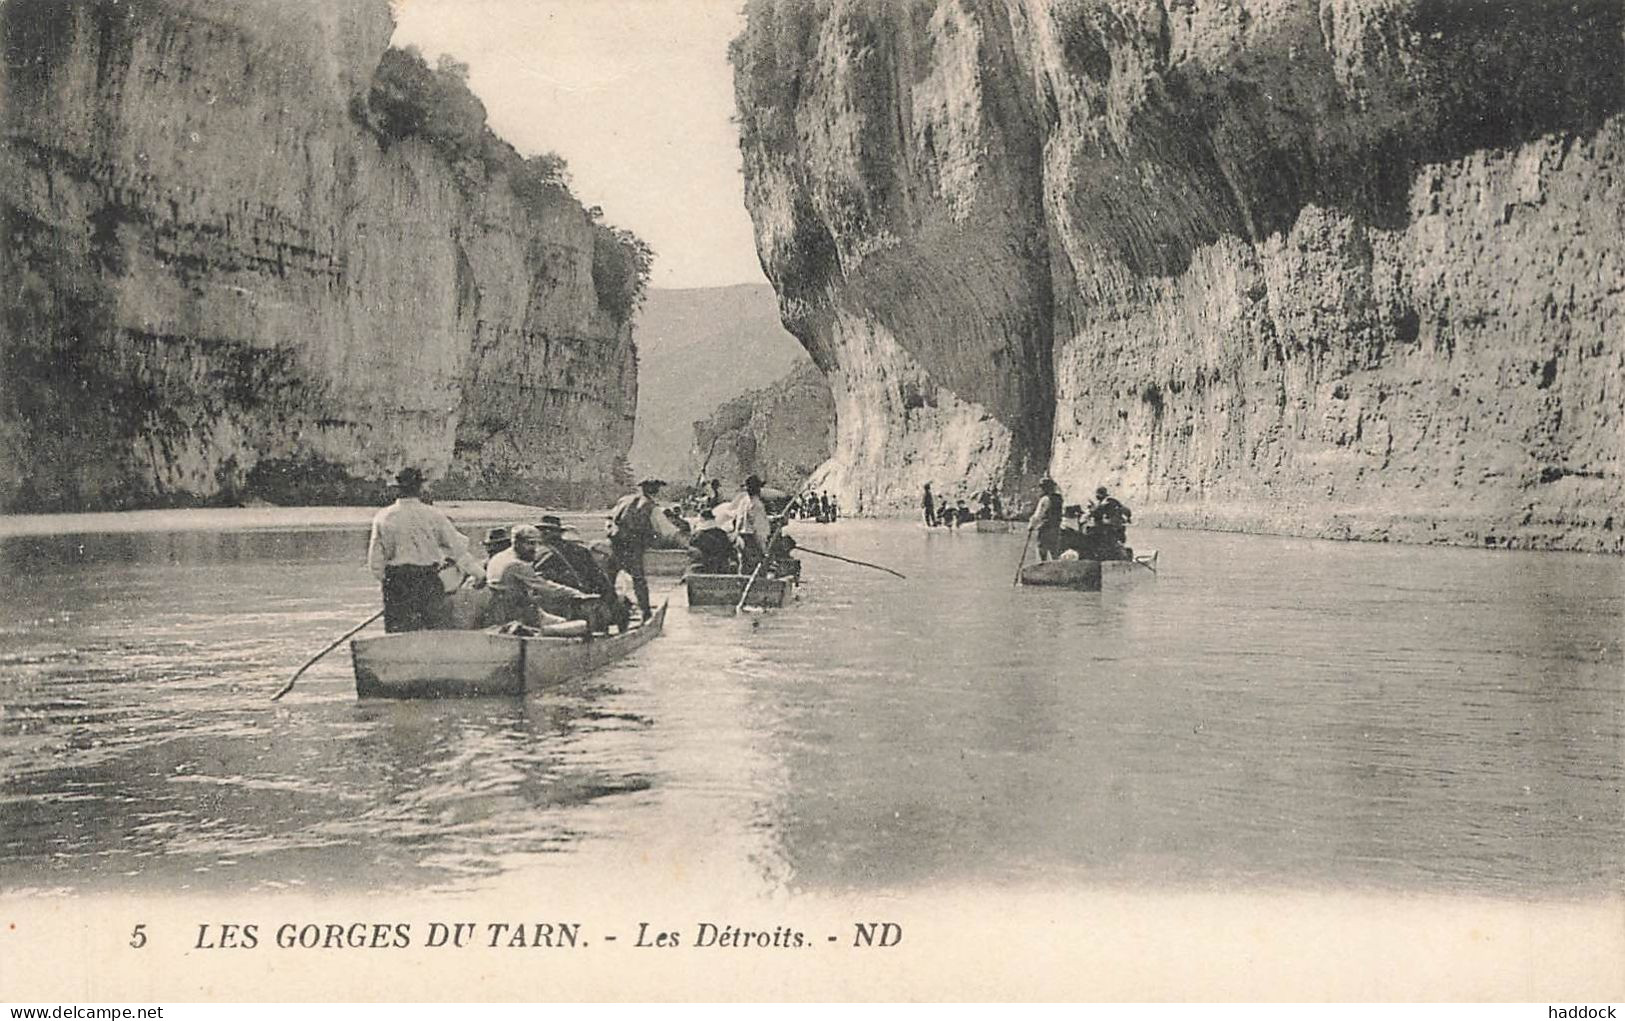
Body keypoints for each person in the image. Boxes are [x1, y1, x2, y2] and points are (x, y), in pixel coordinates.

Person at [367, 467, 486, 633]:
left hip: (396, 582)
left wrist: (390, 584)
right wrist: (479, 574)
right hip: (426, 580)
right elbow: (458, 550)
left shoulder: (383, 517)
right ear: (419, 488)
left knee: (398, 635)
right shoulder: (433, 515)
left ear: (398, 488)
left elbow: (375, 563)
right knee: (435, 633)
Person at [483, 524, 597, 627]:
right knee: (571, 625)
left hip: (500, 611)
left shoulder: (498, 557)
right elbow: (544, 587)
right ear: (517, 543)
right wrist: (576, 594)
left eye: (536, 543)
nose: (534, 548)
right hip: (516, 615)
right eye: (530, 543)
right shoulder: (516, 564)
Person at [533, 515, 628, 632]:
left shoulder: (534, 553)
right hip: (579, 606)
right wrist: (613, 605)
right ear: (559, 533)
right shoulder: (580, 551)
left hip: (547, 610)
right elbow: (601, 582)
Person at [606, 478, 663, 621]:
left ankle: (608, 611)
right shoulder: (651, 507)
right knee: (639, 580)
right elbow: (665, 530)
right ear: (654, 490)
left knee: (609, 579)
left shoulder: (624, 500)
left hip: (615, 544)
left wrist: (612, 533)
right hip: (633, 547)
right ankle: (645, 612)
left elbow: (609, 519)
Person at [732, 474, 774, 574]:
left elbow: (744, 520)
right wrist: (764, 550)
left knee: (744, 568)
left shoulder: (743, 502)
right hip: (753, 542)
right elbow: (758, 531)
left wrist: (771, 519)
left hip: (741, 540)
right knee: (757, 572)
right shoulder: (757, 505)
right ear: (758, 489)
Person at [687, 507, 737, 575]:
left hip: (705, 565)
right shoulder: (722, 533)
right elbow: (729, 548)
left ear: (702, 519)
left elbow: (691, 548)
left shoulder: (698, 535)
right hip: (721, 565)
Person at [1088, 486, 1133, 558]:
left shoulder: (1108, 501)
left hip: (1111, 527)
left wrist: (1092, 509)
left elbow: (1098, 511)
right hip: (1112, 527)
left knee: (1109, 542)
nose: (1097, 496)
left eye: (1098, 494)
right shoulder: (1110, 501)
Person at [1028, 477, 1064, 561]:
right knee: (1054, 550)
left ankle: (1042, 565)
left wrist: (1031, 526)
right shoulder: (1059, 498)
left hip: (1045, 528)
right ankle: (1055, 567)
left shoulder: (1045, 499)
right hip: (1056, 527)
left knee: (1041, 548)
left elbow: (1038, 515)